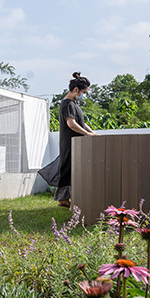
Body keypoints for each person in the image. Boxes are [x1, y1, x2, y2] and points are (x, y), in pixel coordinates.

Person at [54, 72, 97, 207]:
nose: (83, 95)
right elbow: (71, 123)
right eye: (83, 92)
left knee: (71, 168)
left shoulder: (73, 104)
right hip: (70, 142)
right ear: (76, 89)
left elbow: (81, 122)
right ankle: (64, 199)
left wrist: (92, 133)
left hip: (75, 142)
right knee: (68, 168)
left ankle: (67, 198)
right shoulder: (67, 104)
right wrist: (87, 134)